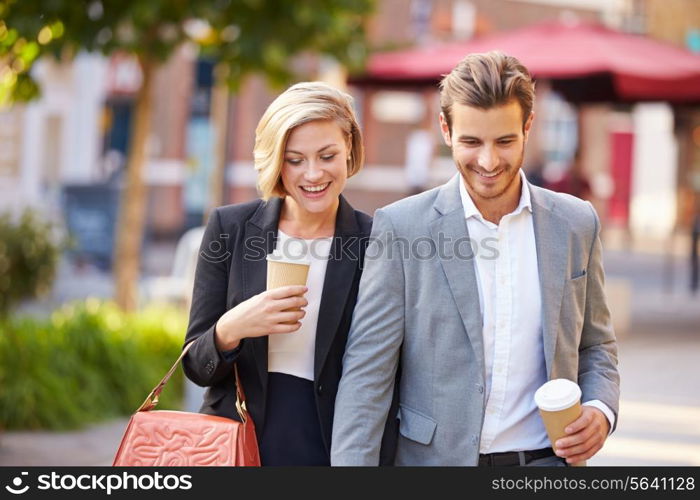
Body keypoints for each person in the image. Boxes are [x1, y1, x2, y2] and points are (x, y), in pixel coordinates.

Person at [331, 51, 620, 466]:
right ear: (446, 130)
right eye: (471, 142)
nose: (488, 162)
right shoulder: (402, 228)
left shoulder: (576, 223)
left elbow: (596, 345)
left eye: (504, 141)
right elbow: (366, 374)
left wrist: (600, 408)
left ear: (528, 126)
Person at [182, 82, 397, 466]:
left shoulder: (377, 240)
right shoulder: (230, 229)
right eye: (295, 160)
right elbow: (196, 366)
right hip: (237, 446)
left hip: (334, 447)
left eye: (326, 155)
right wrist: (232, 328)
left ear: (349, 147)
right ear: (277, 161)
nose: (312, 174)